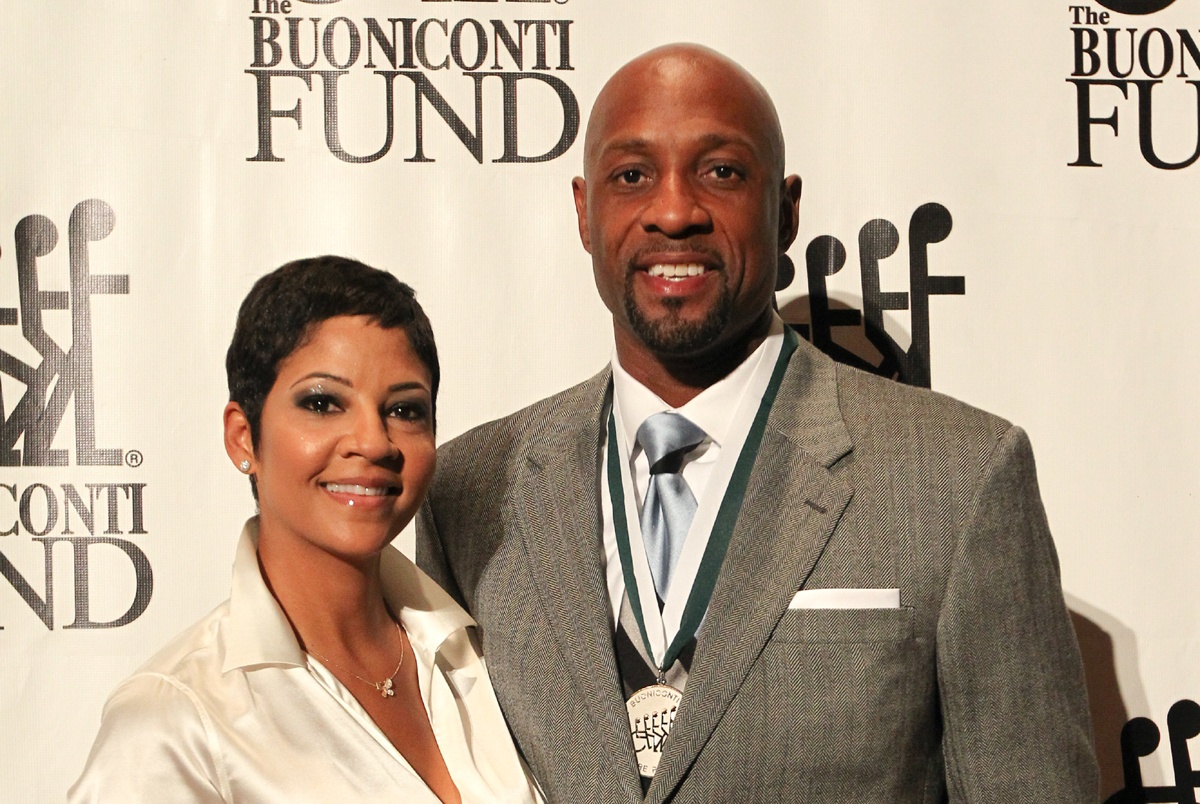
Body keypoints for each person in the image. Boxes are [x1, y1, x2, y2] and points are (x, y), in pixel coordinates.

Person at [417, 44, 1099, 802]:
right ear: (584, 211)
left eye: (721, 172)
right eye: (632, 175)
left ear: (786, 211)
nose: (674, 211)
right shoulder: (470, 491)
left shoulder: (958, 477)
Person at [70, 256, 542, 803]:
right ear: (244, 437)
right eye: (322, 403)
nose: (373, 441)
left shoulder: (482, 652)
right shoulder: (172, 721)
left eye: (405, 410)